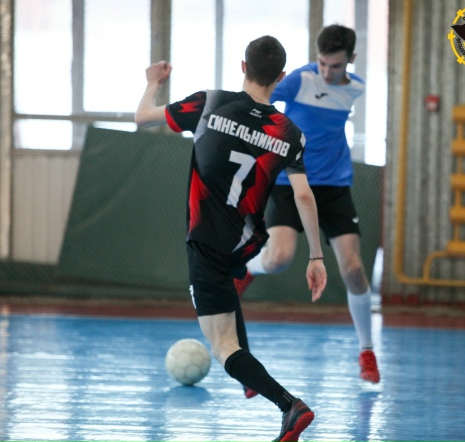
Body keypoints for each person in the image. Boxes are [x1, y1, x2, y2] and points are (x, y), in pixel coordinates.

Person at [135, 35, 327, 441]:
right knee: (228, 300)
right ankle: (249, 374)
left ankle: (289, 405)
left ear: (243, 66)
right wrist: (316, 257)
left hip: (206, 241)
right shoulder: (289, 133)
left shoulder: (210, 103)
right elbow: (304, 196)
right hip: (245, 241)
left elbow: (143, 118)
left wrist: (153, 82)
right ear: (281, 76)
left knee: (223, 348)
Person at [236, 25, 380, 384]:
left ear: (351, 59)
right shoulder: (300, 80)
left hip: (333, 186)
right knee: (278, 258)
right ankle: (247, 268)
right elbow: (258, 93)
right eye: (322, 63)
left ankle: (366, 351)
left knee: (353, 269)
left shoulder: (356, 88)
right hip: (289, 182)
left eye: (336, 66)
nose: (327, 72)